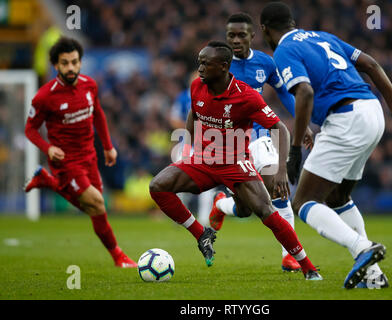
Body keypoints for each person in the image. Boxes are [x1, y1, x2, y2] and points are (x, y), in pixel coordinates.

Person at [260, 2, 392, 289]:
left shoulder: (285, 50)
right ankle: (373, 276)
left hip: (345, 118)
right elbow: (371, 65)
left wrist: (296, 148)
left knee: (303, 202)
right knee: (337, 197)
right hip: (372, 112)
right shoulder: (323, 36)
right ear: (292, 21)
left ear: (264, 30)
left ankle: (362, 248)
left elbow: (305, 92)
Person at [149, 40, 322, 280]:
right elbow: (194, 112)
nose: (199, 68)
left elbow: (279, 128)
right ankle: (202, 234)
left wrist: (281, 169)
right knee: (158, 186)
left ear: (222, 66)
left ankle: (307, 266)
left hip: (235, 164)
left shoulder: (246, 96)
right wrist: (188, 148)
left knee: (264, 211)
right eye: (199, 62)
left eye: (205, 63)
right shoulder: (197, 86)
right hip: (203, 160)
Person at [208, 12, 313, 273]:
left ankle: (289, 255)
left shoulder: (265, 64)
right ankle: (221, 204)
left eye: (241, 35)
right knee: (245, 209)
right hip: (229, 142)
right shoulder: (218, 65)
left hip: (258, 137)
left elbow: (286, 93)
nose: (236, 40)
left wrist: (304, 123)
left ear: (252, 36)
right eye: (231, 35)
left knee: (278, 189)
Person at [24, 37, 137, 268]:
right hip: (66, 161)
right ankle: (119, 256)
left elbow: (98, 115)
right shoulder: (44, 97)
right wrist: (48, 148)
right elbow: (30, 129)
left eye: (74, 62)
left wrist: (107, 146)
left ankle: (47, 181)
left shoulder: (90, 85)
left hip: (89, 157)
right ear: (56, 66)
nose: (71, 68)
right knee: (97, 203)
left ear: (81, 62)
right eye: (65, 63)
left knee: (93, 208)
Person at [169, 70, 218, 226]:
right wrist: (190, 126)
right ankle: (181, 216)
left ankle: (204, 220)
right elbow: (174, 119)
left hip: (207, 147)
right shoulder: (184, 97)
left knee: (208, 185)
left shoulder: (214, 95)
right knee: (180, 182)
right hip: (187, 145)